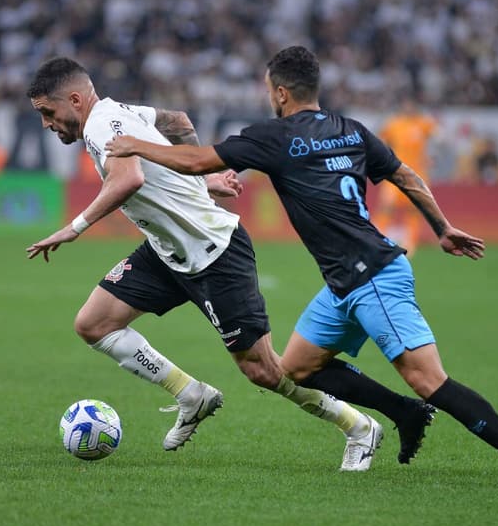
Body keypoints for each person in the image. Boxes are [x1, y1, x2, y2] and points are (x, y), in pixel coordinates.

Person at [105, 45, 498, 490]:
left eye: (268, 91)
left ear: (280, 93)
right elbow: (408, 177)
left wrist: (134, 145)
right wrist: (443, 228)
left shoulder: (275, 137)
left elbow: (198, 161)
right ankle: (403, 412)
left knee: (427, 378)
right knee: (298, 367)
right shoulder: (351, 131)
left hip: (374, 276)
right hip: (344, 282)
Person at [26, 57, 435, 471]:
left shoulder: (99, 126)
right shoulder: (120, 111)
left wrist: (74, 228)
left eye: (48, 112)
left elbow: (129, 178)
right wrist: (203, 181)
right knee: (94, 323)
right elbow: (178, 121)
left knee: (264, 369)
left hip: (214, 251)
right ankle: (191, 394)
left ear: (75, 99)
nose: (47, 122)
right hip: (167, 251)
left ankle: (360, 426)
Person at [373, 97, 438, 254]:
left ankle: (411, 242)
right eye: (406, 105)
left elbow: (438, 140)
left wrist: (432, 156)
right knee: (387, 206)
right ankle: (377, 237)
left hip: (418, 173)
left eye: (411, 105)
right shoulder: (394, 124)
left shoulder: (424, 123)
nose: (408, 108)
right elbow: (379, 141)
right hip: (396, 171)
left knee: (415, 208)